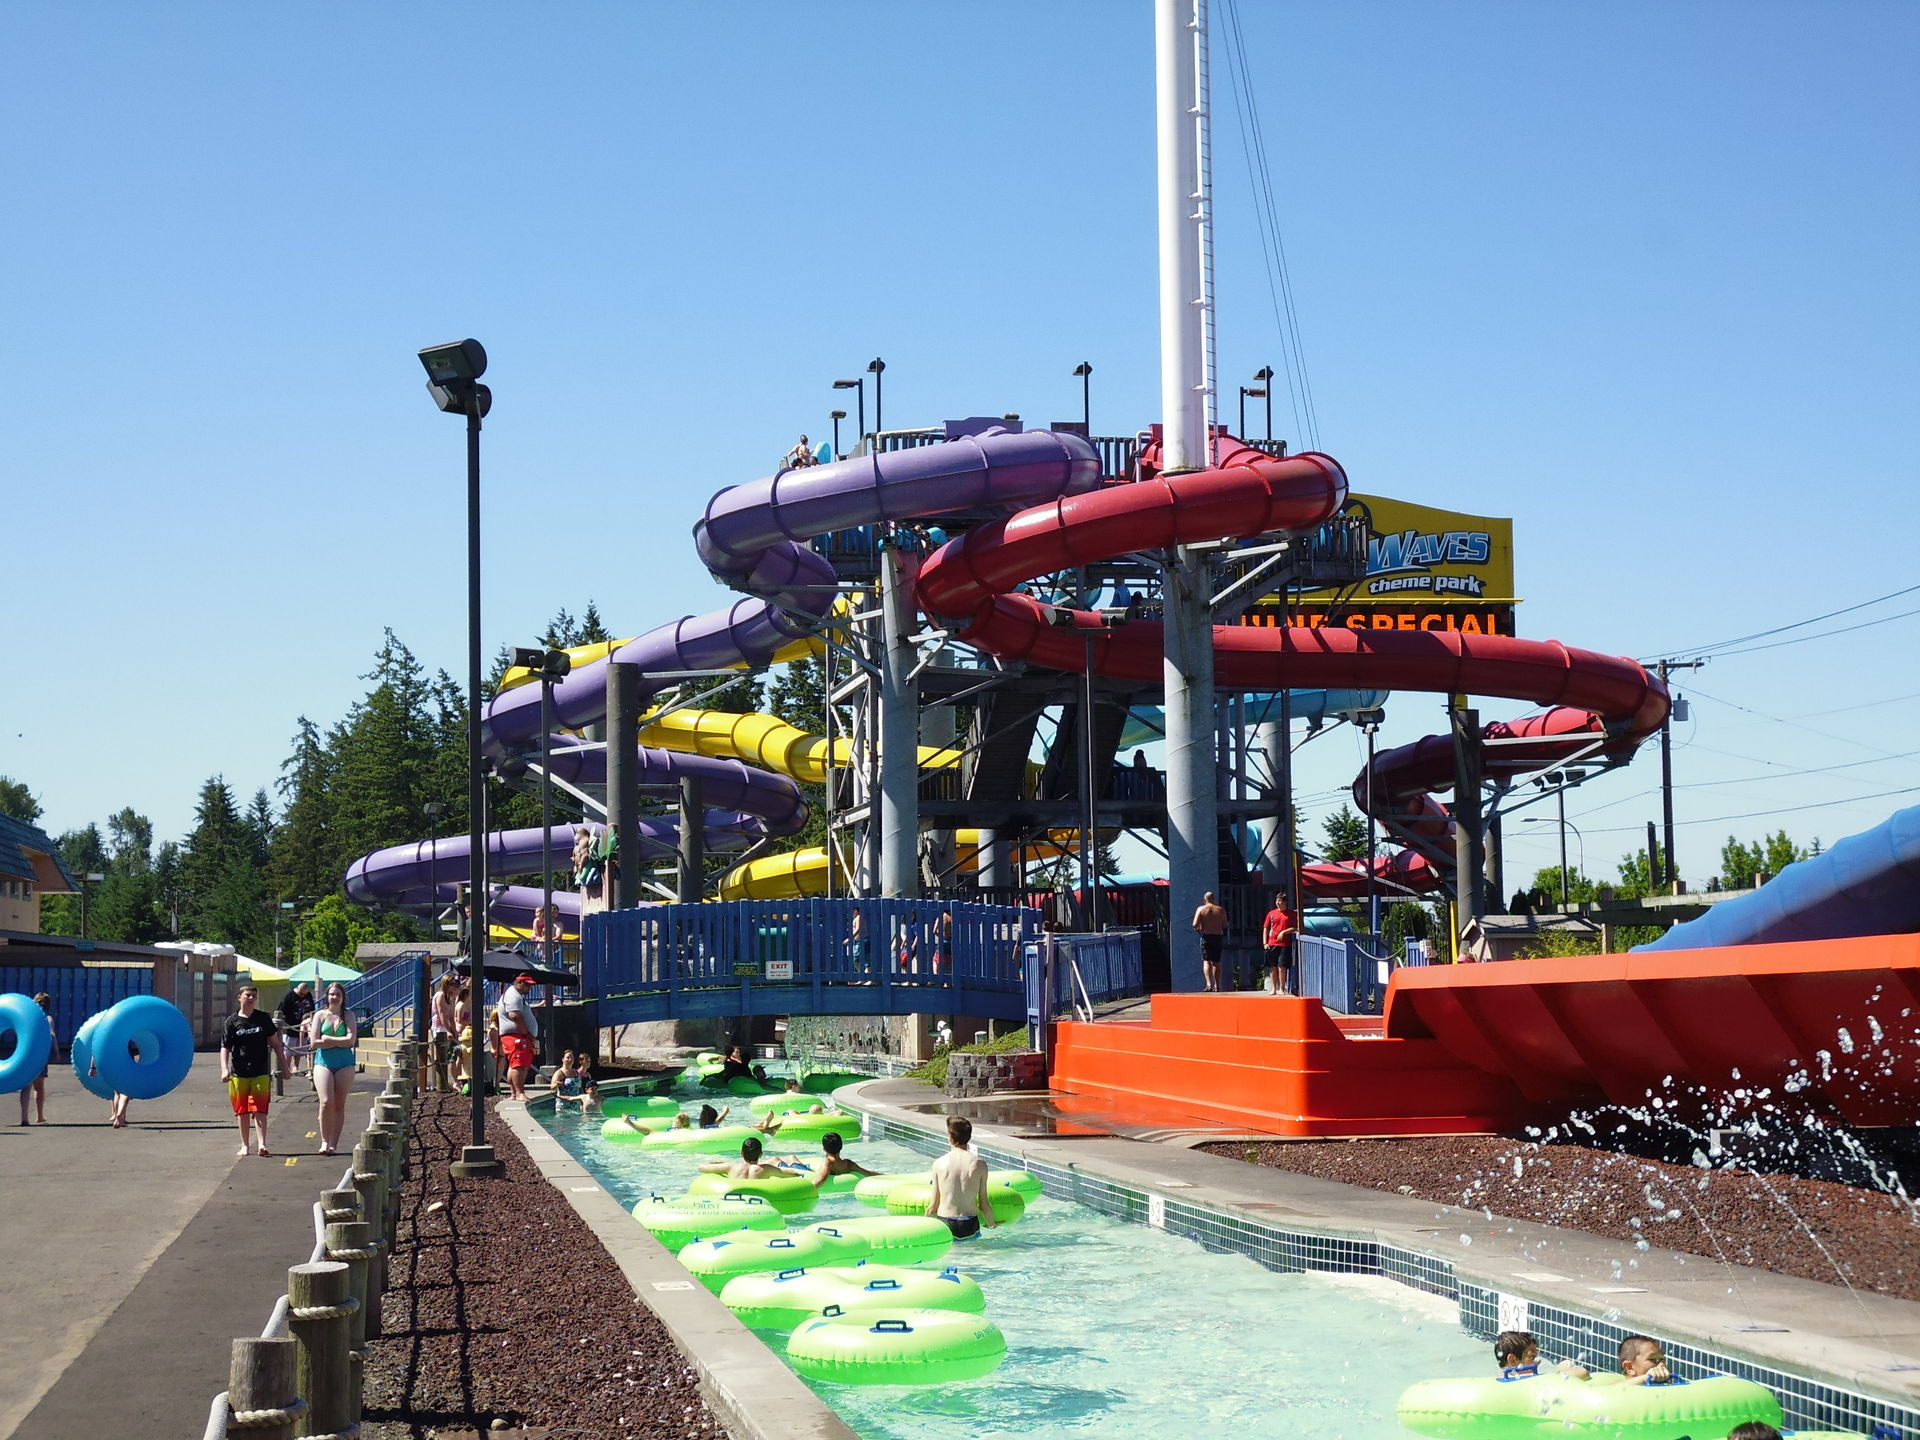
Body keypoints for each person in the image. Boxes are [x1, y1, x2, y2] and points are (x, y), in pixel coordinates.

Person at [221, 984, 290, 1156]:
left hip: (260, 1071)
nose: (251, 998)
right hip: (239, 1072)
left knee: (260, 1109)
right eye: (248, 995)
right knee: (242, 1110)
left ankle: (262, 1144)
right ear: (239, 997)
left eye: (254, 995)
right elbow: (225, 1047)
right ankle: (245, 1145)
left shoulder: (262, 1018)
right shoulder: (231, 1021)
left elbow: (276, 1044)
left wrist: (284, 1066)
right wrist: (224, 1068)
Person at [307, 981, 359, 1155]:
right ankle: (324, 1141)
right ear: (327, 996)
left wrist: (327, 1039)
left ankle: (333, 1144)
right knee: (326, 1101)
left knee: (339, 1104)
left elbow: (350, 1040)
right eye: (331, 994)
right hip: (323, 1063)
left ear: (342, 997)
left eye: (337, 994)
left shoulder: (348, 1015)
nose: (334, 997)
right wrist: (339, 1041)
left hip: (345, 1063)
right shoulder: (320, 1015)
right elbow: (314, 1042)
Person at [925, 1115, 996, 1239]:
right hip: (970, 1223)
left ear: (950, 1138)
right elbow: (984, 1205)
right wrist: (992, 1225)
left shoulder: (939, 1164)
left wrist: (923, 1228)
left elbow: (933, 1206)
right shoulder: (979, 1165)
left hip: (946, 1222)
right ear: (968, 1137)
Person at [495, 973, 540, 1101]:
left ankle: (514, 1093)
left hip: (517, 1035)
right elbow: (514, 1016)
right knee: (519, 1064)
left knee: (515, 1064)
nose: (529, 988)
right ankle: (519, 1092)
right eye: (527, 985)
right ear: (519, 983)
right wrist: (527, 1033)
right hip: (517, 1036)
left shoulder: (516, 996)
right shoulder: (513, 995)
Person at [17, 992, 54, 1126]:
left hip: (25, 1053)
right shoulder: (47, 1018)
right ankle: (39, 1116)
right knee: (39, 1087)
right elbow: (52, 1035)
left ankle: (24, 1117)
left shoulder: (26, 1017)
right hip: (40, 1055)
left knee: (26, 1086)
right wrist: (56, 1051)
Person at [1492, 1331, 1588, 1381]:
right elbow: (1583, 1374)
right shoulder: (1530, 1381)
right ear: (1512, 1360)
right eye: (1532, 1357)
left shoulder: (1498, 1379)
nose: (1538, 1362)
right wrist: (1563, 1367)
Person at [698, 1134, 799, 1180]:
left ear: (741, 1153)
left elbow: (702, 1168)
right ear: (760, 1154)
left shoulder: (731, 1167)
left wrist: (720, 1163)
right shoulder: (766, 1169)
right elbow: (794, 1174)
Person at [807, 1130, 877, 1187]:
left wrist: (807, 1189)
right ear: (841, 1147)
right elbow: (867, 1173)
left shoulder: (828, 1162)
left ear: (824, 1148)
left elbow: (822, 1179)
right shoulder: (848, 1164)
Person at [429, 973, 461, 1093]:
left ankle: (450, 1082)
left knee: (451, 1054)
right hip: (439, 1028)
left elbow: (451, 1016)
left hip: (447, 1027)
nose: (453, 987)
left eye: (454, 984)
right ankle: (440, 1083)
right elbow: (441, 1014)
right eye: (451, 984)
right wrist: (447, 1030)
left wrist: (454, 1030)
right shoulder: (440, 995)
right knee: (441, 1055)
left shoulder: (450, 997)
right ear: (445, 984)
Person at [1192, 891, 1229, 992]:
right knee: (1216, 962)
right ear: (1214, 899)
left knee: (1206, 961)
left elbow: (1194, 924)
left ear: (1204, 900)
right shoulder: (1220, 910)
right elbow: (1225, 923)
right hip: (1217, 936)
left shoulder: (1201, 909)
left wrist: (1199, 927)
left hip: (1206, 936)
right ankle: (1217, 985)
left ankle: (1209, 985)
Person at [275, 982, 315, 1078]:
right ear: (297, 989)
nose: (302, 996)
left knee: (300, 1048)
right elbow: (281, 1010)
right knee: (289, 1050)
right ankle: (286, 1068)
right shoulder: (289, 996)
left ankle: (295, 1067)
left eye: (304, 994)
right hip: (291, 1026)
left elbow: (312, 1009)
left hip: (304, 1026)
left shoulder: (308, 995)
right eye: (300, 993)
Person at [1260, 896, 1298, 996]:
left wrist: (1284, 932)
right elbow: (1266, 928)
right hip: (1272, 943)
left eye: (1280, 901)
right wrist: (1265, 942)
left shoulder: (1291, 914)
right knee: (1273, 966)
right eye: (1277, 900)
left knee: (1282, 966)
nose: (1278, 902)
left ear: (1285, 902)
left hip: (1284, 943)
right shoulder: (1271, 913)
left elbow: (1294, 927)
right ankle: (1273, 988)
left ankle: (1282, 988)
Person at [931, 909, 953, 976]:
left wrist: (940, 935)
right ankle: (948, 979)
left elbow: (934, 931)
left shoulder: (940, 917)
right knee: (948, 961)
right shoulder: (952, 918)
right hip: (950, 941)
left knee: (935, 960)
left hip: (942, 940)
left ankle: (935, 976)